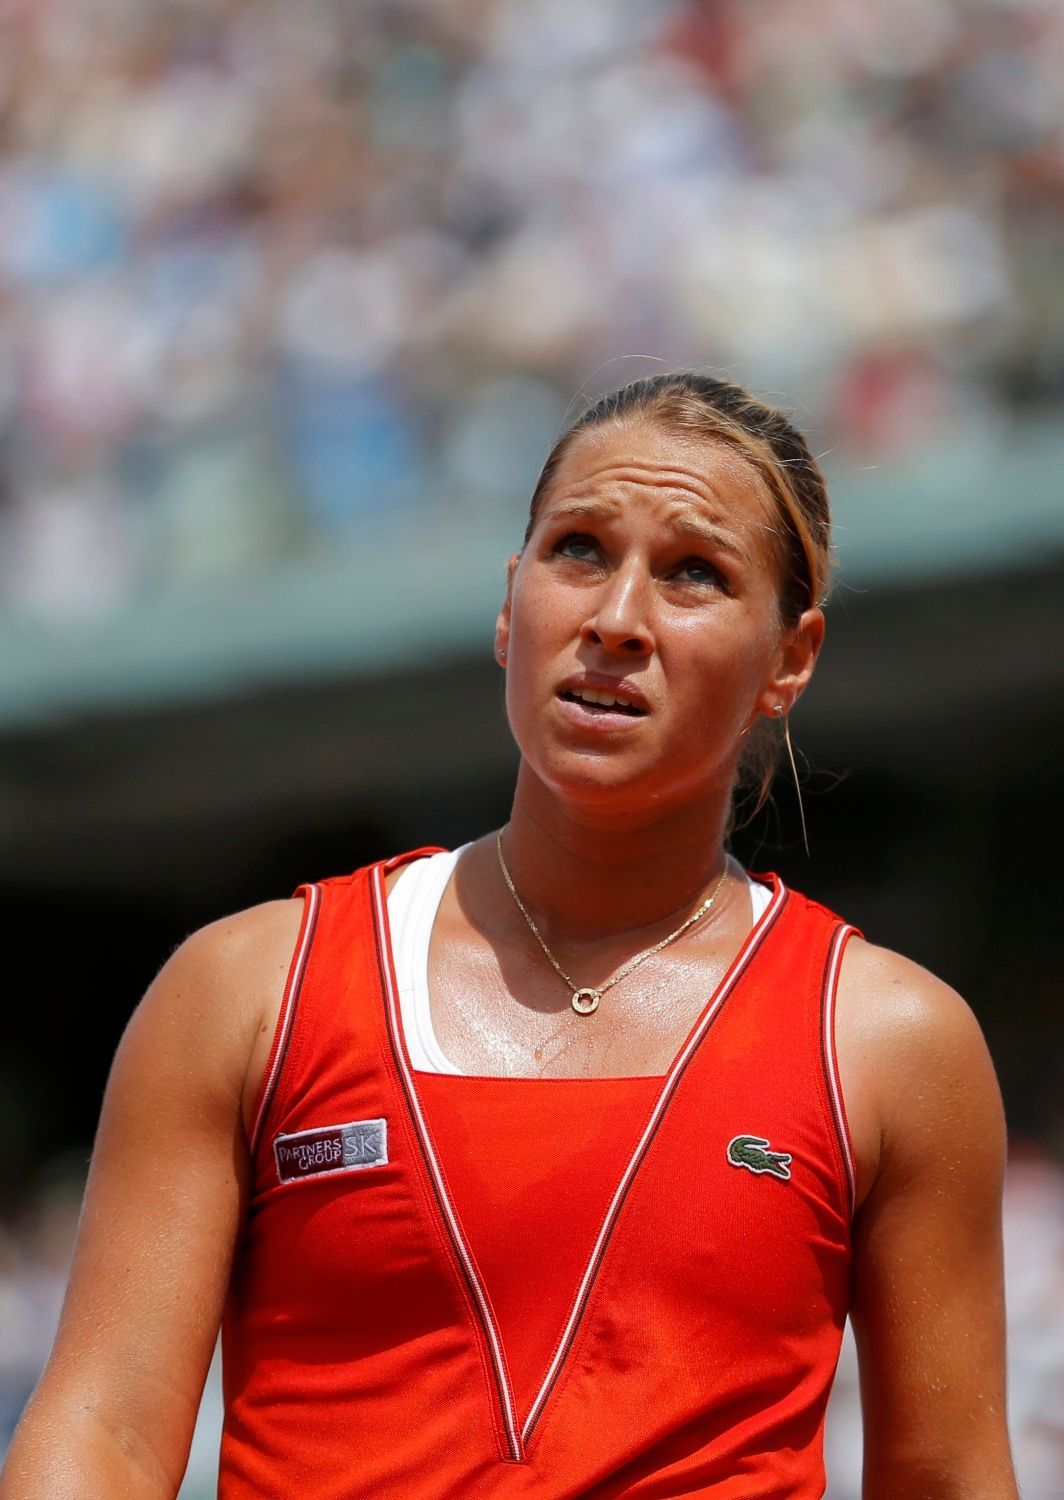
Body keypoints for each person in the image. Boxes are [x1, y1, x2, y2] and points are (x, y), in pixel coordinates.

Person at [0, 373, 1019, 1499]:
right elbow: (100, 1438)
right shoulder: (249, 987)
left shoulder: (886, 1040)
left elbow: (946, 1474)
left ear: (789, 658)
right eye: (577, 550)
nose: (617, 620)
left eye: (694, 574)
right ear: (507, 604)